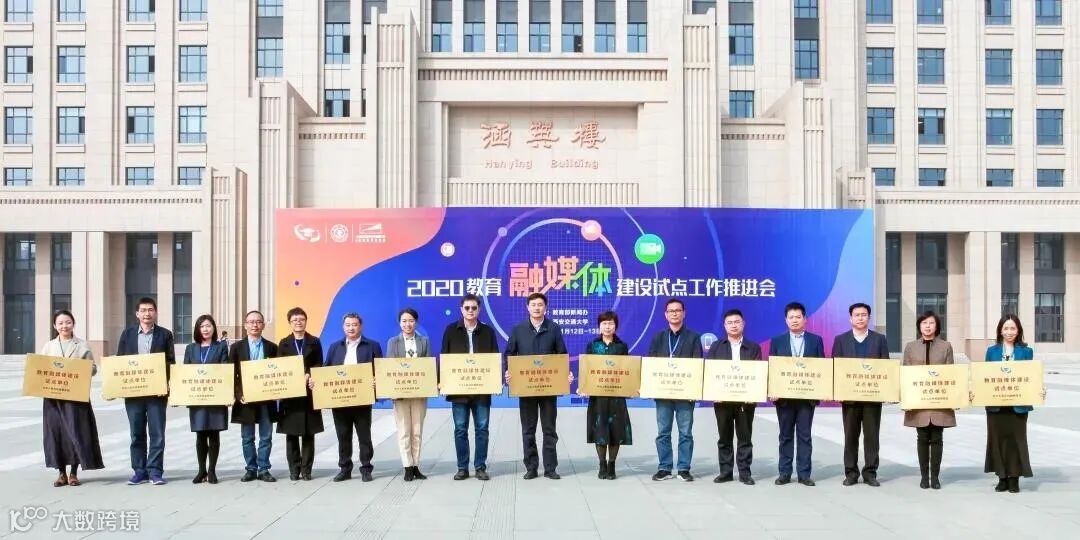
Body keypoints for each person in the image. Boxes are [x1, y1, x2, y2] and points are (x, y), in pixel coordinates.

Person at [504, 292, 571, 480]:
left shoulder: (554, 328)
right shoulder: (518, 330)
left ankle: (550, 468)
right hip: (526, 388)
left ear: (545, 308)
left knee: (549, 429)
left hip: (548, 388)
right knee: (528, 430)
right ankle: (531, 467)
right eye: (533, 305)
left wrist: (565, 374)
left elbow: (561, 355)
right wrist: (509, 372)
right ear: (528, 307)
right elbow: (509, 354)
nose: (536, 308)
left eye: (540, 304)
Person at [40, 310, 104, 487]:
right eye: (60, 323)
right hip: (53, 398)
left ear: (73, 324)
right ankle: (61, 473)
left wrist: (80, 368)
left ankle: (74, 473)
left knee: (76, 432)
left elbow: (93, 369)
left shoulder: (82, 345)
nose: (64, 326)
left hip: (76, 397)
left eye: (67, 322)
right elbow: (40, 370)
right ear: (55, 326)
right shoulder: (48, 347)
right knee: (56, 433)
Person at [116, 297, 175, 486]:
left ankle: (155, 471)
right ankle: (139, 471)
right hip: (134, 392)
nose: (147, 313)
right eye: (143, 310)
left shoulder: (165, 334)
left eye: (150, 310)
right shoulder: (127, 334)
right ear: (137, 314)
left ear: (155, 312)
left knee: (157, 434)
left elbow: (171, 361)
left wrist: (162, 380)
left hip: (157, 393)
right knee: (136, 433)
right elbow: (120, 361)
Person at [441, 293, 500, 481]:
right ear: (461, 309)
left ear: (479, 309)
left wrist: (495, 380)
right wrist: (443, 381)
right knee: (460, 429)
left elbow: (494, 359)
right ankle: (462, 468)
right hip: (459, 391)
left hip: (482, 390)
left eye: (474, 308)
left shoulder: (488, 332)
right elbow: (444, 358)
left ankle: (480, 467)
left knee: (482, 429)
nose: (470, 311)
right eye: (467, 308)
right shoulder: (451, 330)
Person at [831, 302, 890, 487]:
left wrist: (886, 391)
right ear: (851, 318)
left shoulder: (879, 340)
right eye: (856, 315)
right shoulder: (841, 340)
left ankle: (870, 473)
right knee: (850, 436)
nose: (860, 318)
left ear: (869, 318)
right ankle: (851, 473)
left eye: (864, 315)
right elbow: (835, 367)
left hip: (872, 397)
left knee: (872, 436)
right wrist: (837, 391)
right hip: (849, 399)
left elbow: (886, 367)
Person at [768, 301, 825, 487]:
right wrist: (772, 390)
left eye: (798, 317)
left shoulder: (816, 341)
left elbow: (821, 368)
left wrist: (822, 390)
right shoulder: (777, 341)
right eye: (791, 317)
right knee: (785, 436)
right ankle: (784, 473)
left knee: (804, 436)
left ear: (805, 319)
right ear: (786, 320)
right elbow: (773, 369)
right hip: (784, 398)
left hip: (806, 398)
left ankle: (804, 474)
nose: (794, 320)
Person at [647, 298, 703, 482]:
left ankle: (684, 468)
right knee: (663, 432)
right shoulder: (658, 338)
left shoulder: (693, 337)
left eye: (678, 310)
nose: (674, 313)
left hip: (685, 394)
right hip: (663, 393)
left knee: (685, 432)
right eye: (671, 311)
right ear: (666, 315)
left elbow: (697, 365)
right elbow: (651, 364)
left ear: (684, 313)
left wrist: (694, 390)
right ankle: (664, 467)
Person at [984, 314, 1041, 494]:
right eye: (1006, 328)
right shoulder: (992, 351)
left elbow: (1031, 377)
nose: (1009, 332)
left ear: (1018, 330)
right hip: (996, 404)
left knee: (1017, 440)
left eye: (1013, 328)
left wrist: (1039, 389)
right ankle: (1002, 477)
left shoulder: (1026, 351)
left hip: (1018, 403)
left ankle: (1014, 478)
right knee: (997, 440)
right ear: (1000, 330)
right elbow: (984, 376)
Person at [704, 308, 761, 485]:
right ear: (724, 325)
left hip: (745, 401)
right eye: (730, 322)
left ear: (743, 324)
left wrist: (754, 394)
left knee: (745, 438)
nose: (734, 325)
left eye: (737, 322)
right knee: (724, 437)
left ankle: (745, 472)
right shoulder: (716, 347)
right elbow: (710, 372)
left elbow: (758, 373)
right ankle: (726, 472)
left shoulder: (753, 347)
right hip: (722, 401)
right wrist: (713, 392)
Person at [324, 312, 382, 482]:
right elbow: (326, 370)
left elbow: (380, 370)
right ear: (343, 327)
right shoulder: (335, 347)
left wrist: (376, 380)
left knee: (364, 436)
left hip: (362, 399)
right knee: (343, 435)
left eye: (354, 325)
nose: (351, 328)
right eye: (348, 325)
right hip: (340, 400)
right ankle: (345, 468)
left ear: (360, 326)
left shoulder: (372, 346)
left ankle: (366, 468)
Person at [902, 310, 955, 490]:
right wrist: (906, 399)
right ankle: (924, 477)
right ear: (919, 326)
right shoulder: (910, 347)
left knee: (937, 438)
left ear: (937, 326)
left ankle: (935, 477)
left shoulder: (946, 346)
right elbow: (905, 374)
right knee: (922, 437)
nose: (928, 326)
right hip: (919, 401)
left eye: (931, 323)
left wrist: (955, 397)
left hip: (939, 399)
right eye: (924, 323)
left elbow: (951, 373)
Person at [581, 311, 633, 480]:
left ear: (615, 326)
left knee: (616, 430)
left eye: (610, 323)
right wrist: (584, 386)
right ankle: (602, 464)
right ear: (599, 326)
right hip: (598, 396)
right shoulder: (592, 345)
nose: (607, 327)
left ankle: (612, 464)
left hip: (617, 396)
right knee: (600, 429)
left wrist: (631, 388)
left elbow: (627, 370)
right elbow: (587, 369)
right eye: (604, 323)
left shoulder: (621, 346)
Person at [230, 310, 279, 483]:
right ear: (245, 325)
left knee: (266, 436)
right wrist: (238, 394)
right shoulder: (236, 348)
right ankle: (251, 469)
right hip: (246, 399)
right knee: (247, 437)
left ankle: (264, 469)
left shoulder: (272, 347)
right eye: (251, 322)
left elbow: (278, 372)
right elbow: (231, 374)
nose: (255, 325)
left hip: (266, 399)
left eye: (258, 322)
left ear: (263, 325)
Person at [277, 307, 324, 482]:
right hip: (290, 396)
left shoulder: (314, 341)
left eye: (301, 319)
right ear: (290, 323)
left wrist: (309, 374)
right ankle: (294, 469)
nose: (298, 322)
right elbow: (280, 366)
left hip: (309, 394)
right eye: (295, 320)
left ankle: (306, 470)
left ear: (306, 321)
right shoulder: (284, 343)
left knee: (308, 434)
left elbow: (319, 363)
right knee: (291, 434)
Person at [182, 314, 229, 484]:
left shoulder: (220, 347)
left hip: (215, 397)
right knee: (200, 434)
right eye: (202, 326)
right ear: (197, 329)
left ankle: (212, 471)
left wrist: (227, 394)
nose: (206, 329)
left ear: (214, 328)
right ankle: (201, 470)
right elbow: (185, 372)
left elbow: (225, 370)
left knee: (214, 434)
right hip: (197, 397)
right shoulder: (191, 348)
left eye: (208, 326)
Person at [387, 308, 431, 482]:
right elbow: (389, 368)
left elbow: (428, 366)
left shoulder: (424, 341)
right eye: (404, 321)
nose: (408, 324)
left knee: (417, 431)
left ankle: (416, 466)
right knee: (404, 431)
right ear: (400, 323)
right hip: (400, 395)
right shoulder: (393, 342)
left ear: (416, 322)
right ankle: (407, 466)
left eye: (411, 320)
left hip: (419, 394)